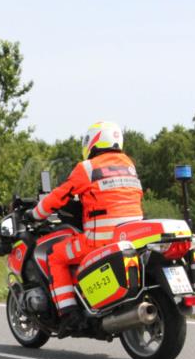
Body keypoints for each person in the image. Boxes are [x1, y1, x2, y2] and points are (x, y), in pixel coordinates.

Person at [28, 121, 144, 314]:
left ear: (93, 142)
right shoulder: (129, 165)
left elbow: (59, 196)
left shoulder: (87, 168)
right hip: (130, 237)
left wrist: (35, 213)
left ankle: (68, 311)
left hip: (99, 240)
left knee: (55, 256)